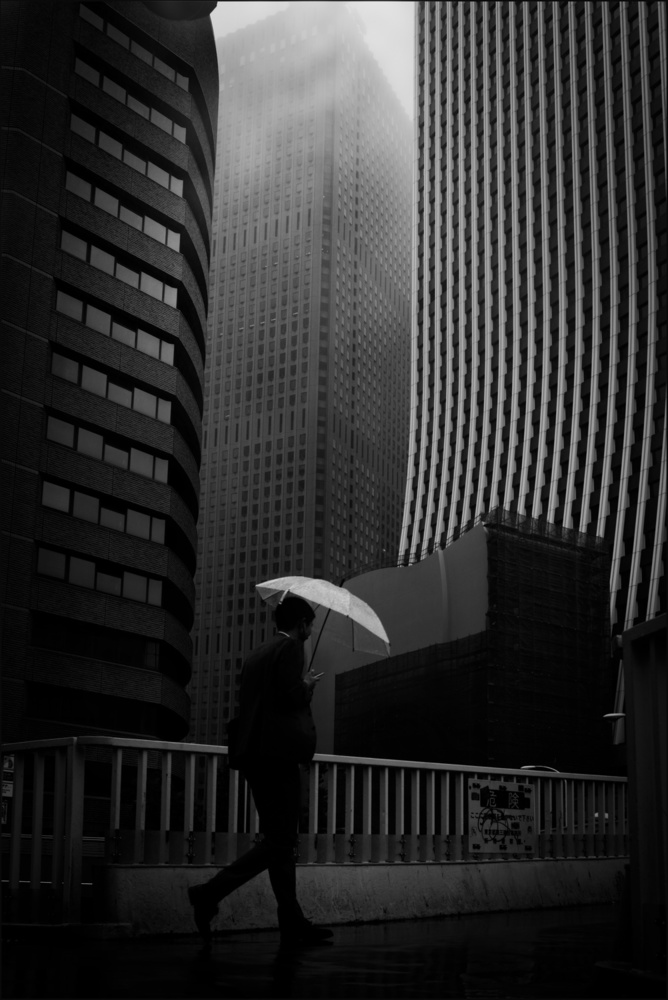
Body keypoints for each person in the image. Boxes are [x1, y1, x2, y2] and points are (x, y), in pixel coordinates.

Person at [188, 596, 333, 950]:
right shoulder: (291, 648)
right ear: (301, 624)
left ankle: (293, 922)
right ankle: (208, 894)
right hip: (277, 757)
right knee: (281, 841)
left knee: (279, 841)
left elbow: (264, 703)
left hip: (253, 755)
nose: (310, 632)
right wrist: (307, 688)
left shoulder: (256, 655)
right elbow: (287, 699)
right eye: (310, 626)